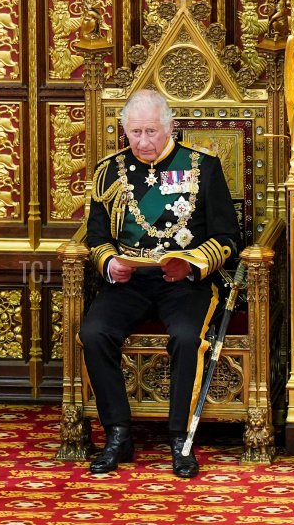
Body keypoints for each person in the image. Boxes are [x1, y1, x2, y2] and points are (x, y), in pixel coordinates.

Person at [79, 89, 241, 478]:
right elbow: (96, 236)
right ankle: (118, 435)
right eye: (135, 132)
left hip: (185, 282)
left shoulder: (202, 166)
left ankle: (179, 439)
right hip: (130, 282)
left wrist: (190, 265)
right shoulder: (109, 173)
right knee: (93, 331)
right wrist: (109, 262)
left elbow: (229, 237)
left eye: (152, 130)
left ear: (170, 127)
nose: (144, 141)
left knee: (187, 337)